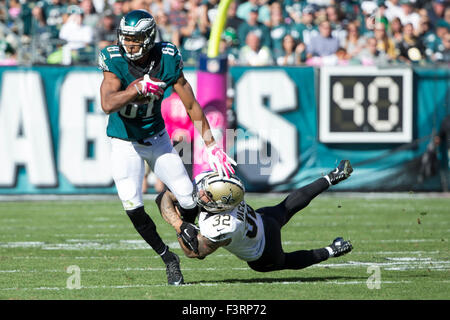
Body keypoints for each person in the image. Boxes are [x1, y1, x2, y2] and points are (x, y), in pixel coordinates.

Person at [98, 9, 236, 285]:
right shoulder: (114, 59)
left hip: (158, 138)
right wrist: (136, 89)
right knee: (132, 204)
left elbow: (191, 104)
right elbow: (108, 103)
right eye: (125, 38)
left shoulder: (168, 57)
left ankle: (183, 229)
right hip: (124, 143)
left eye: (135, 39)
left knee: (188, 199)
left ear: (149, 38)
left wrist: (211, 145)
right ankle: (168, 259)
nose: (128, 44)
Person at [156, 160, 354, 276]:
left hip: (263, 252)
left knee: (284, 261)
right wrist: (179, 220)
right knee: (286, 206)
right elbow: (166, 196)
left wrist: (180, 227)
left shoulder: (221, 225)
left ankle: (332, 250)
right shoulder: (228, 192)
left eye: (207, 195)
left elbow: (195, 253)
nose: (200, 194)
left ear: (221, 204)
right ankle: (331, 177)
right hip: (264, 219)